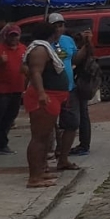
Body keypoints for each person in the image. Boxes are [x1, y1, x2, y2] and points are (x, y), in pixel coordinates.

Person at [23, 20, 69, 188]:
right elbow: (35, 72)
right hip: (45, 96)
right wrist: (41, 93)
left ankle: (41, 170)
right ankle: (34, 177)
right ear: (52, 34)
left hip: (53, 96)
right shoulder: (40, 50)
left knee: (45, 137)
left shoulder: (44, 48)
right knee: (39, 138)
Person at [50, 14, 90, 172]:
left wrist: (86, 45)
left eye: (60, 25)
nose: (58, 29)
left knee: (72, 124)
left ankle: (63, 158)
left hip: (69, 89)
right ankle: (46, 159)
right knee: (48, 126)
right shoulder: (45, 43)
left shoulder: (67, 40)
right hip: (51, 90)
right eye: (55, 26)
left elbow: (75, 59)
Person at [68, 30, 100, 157]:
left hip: (80, 86)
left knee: (81, 115)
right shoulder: (89, 53)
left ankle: (84, 145)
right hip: (85, 86)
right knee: (84, 114)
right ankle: (84, 144)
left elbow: (75, 61)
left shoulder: (83, 54)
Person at [0, 24, 27, 155]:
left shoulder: (23, 49)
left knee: (10, 117)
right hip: (2, 90)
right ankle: (1, 144)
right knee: (0, 116)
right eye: (11, 36)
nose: (14, 38)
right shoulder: (0, 48)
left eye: (16, 35)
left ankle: (2, 143)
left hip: (17, 89)